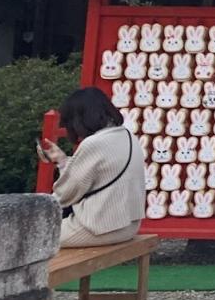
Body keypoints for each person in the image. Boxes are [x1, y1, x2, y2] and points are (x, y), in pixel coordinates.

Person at [38, 87, 147, 248]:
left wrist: (36, 208)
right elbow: (99, 176)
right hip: (128, 226)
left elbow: (66, 193)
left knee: (29, 236)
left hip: (98, 228)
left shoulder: (94, 143)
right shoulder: (127, 136)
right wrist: (61, 160)